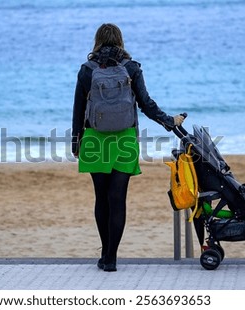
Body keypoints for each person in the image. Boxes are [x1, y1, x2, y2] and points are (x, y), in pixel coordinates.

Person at [72, 23, 185, 272]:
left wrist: (75, 141)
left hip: (94, 139)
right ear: (120, 41)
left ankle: (104, 254)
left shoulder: (87, 70)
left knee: (101, 198)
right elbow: (146, 104)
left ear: (97, 41)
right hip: (124, 139)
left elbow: (79, 108)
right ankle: (112, 258)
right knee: (118, 199)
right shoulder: (131, 68)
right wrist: (168, 121)